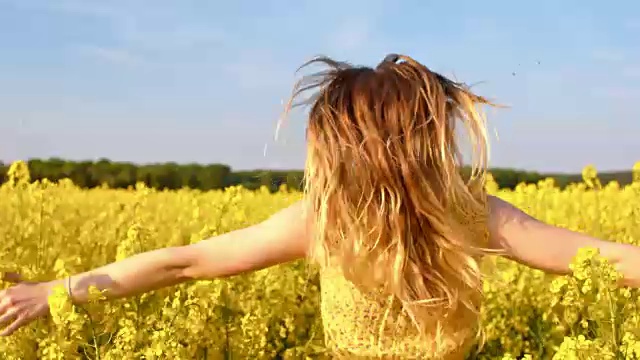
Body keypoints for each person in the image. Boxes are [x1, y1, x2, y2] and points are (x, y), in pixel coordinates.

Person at [1, 54, 639, 359]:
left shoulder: (330, 222)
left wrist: (56, 290)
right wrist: (55, 290)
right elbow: (599, 257)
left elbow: (183, 263)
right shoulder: (475, 215)